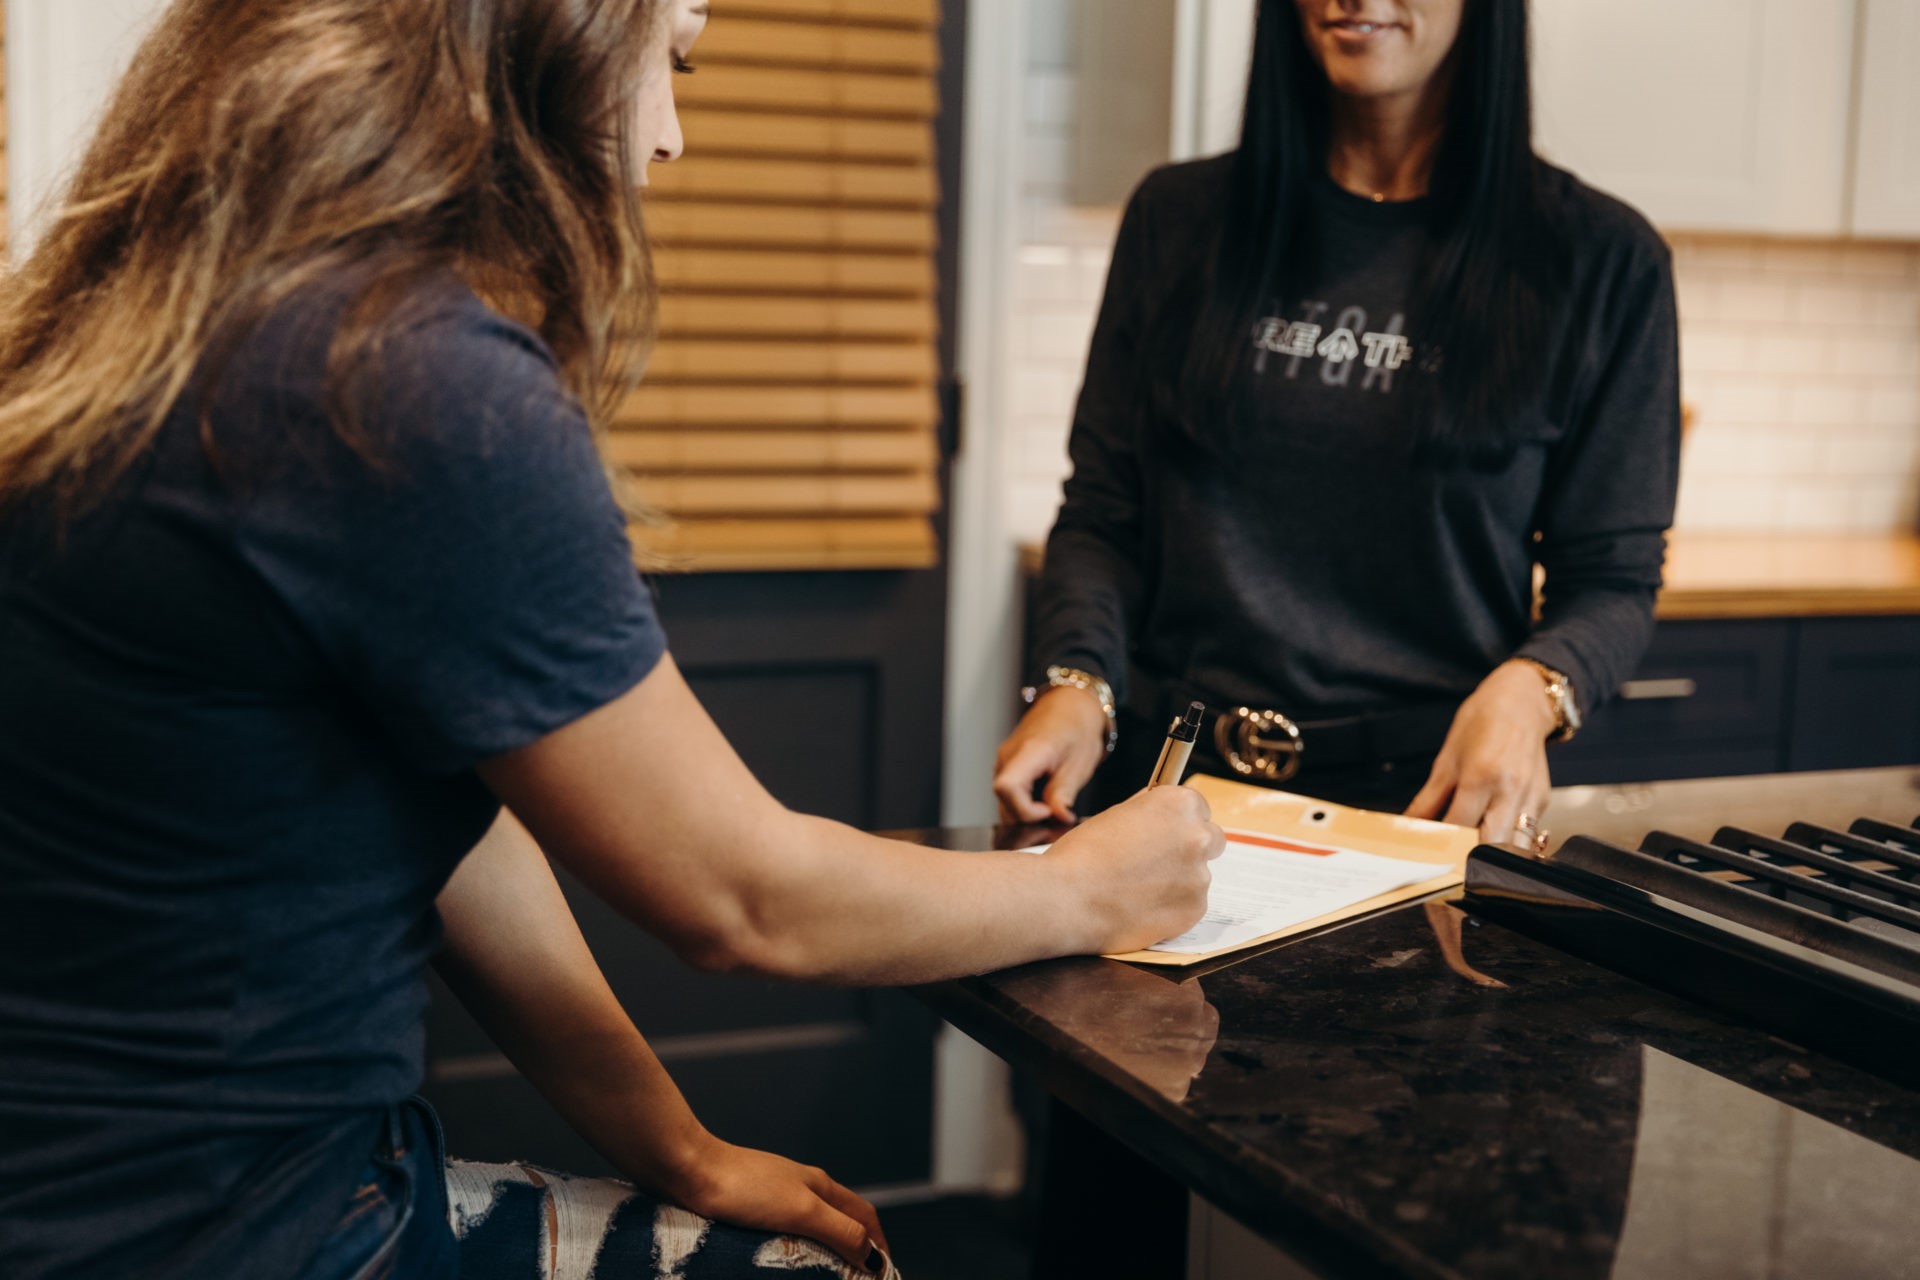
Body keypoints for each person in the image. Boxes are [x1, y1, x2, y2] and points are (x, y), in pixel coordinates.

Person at [0, 2, 1226, 1277]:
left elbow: (456, 828)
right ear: (548, 36)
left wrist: (681, 1148)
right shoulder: (403, 384)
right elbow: (744, 895)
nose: (670, 136)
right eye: (673, 59)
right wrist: (1085, 886)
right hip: (232, 1231)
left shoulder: (195, 315)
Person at [993, 0, 1680, 851]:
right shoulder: (1177, 220)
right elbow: (1105, 512)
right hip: (1163, 793)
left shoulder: (1600, 261)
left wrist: (1532, 690)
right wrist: (1077, 680)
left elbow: (1611, 579)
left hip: (1424, 808)